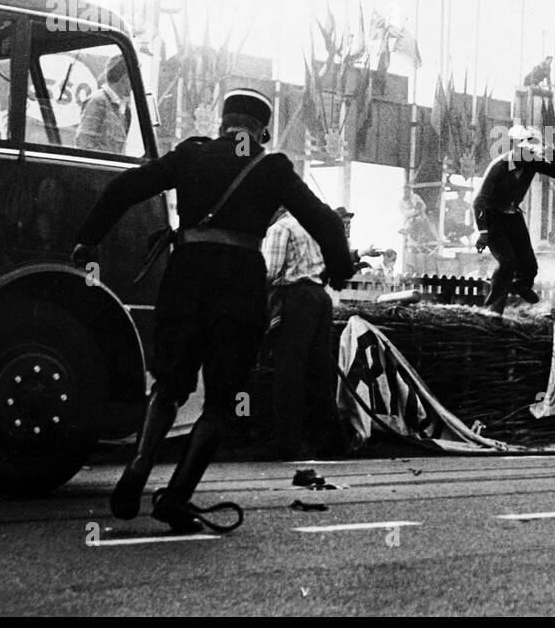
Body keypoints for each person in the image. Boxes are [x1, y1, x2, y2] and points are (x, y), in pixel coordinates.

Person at [72, 89, 353, 531]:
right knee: (223, 401)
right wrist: (339, 266)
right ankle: (177, 498)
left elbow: (125, 187)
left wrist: (89, 238)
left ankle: (140, 464)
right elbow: (325, 221)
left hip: (184, 279)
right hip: (238, 287)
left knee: (169, 385)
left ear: (223, 123)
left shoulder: (190, 155)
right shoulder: (271, 167)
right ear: (261, 130)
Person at [261, 207, 345, 459]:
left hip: (295, 298)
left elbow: (270, 272)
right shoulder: (311, 226)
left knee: (288, 372)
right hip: (320, 298)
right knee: (319, 372)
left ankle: (286, 443)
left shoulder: (280, 228)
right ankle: (334, 442)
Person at [473, 125, 555, 313]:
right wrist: (483, 232)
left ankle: (520, 285)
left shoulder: (531, 161)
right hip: (492, 217)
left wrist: (550, 153)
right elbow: (478, 201)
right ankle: (493, 309)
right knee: (507, 262)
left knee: (529, 264)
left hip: (513, 215)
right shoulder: (500, 166)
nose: (530, 158)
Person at [75, 56, 133, 154]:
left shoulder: (121, 108)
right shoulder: (98, 101)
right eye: (132, 78)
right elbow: (84, 145)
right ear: (125, 78)